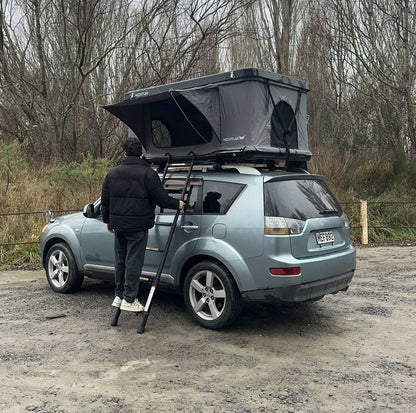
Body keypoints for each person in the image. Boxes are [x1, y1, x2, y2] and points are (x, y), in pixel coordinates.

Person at [101, 138, 184, 312]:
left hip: (118, 225)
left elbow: (105, 201)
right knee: (134, 261)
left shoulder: (112, 173)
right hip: (138, 226)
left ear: (124, 153)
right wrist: (178, 204)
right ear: (141, 153)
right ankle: (129, 299)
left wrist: (107, 220)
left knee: (121, 260)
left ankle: (119, 294)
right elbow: (161, 198)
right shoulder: (148, 174)